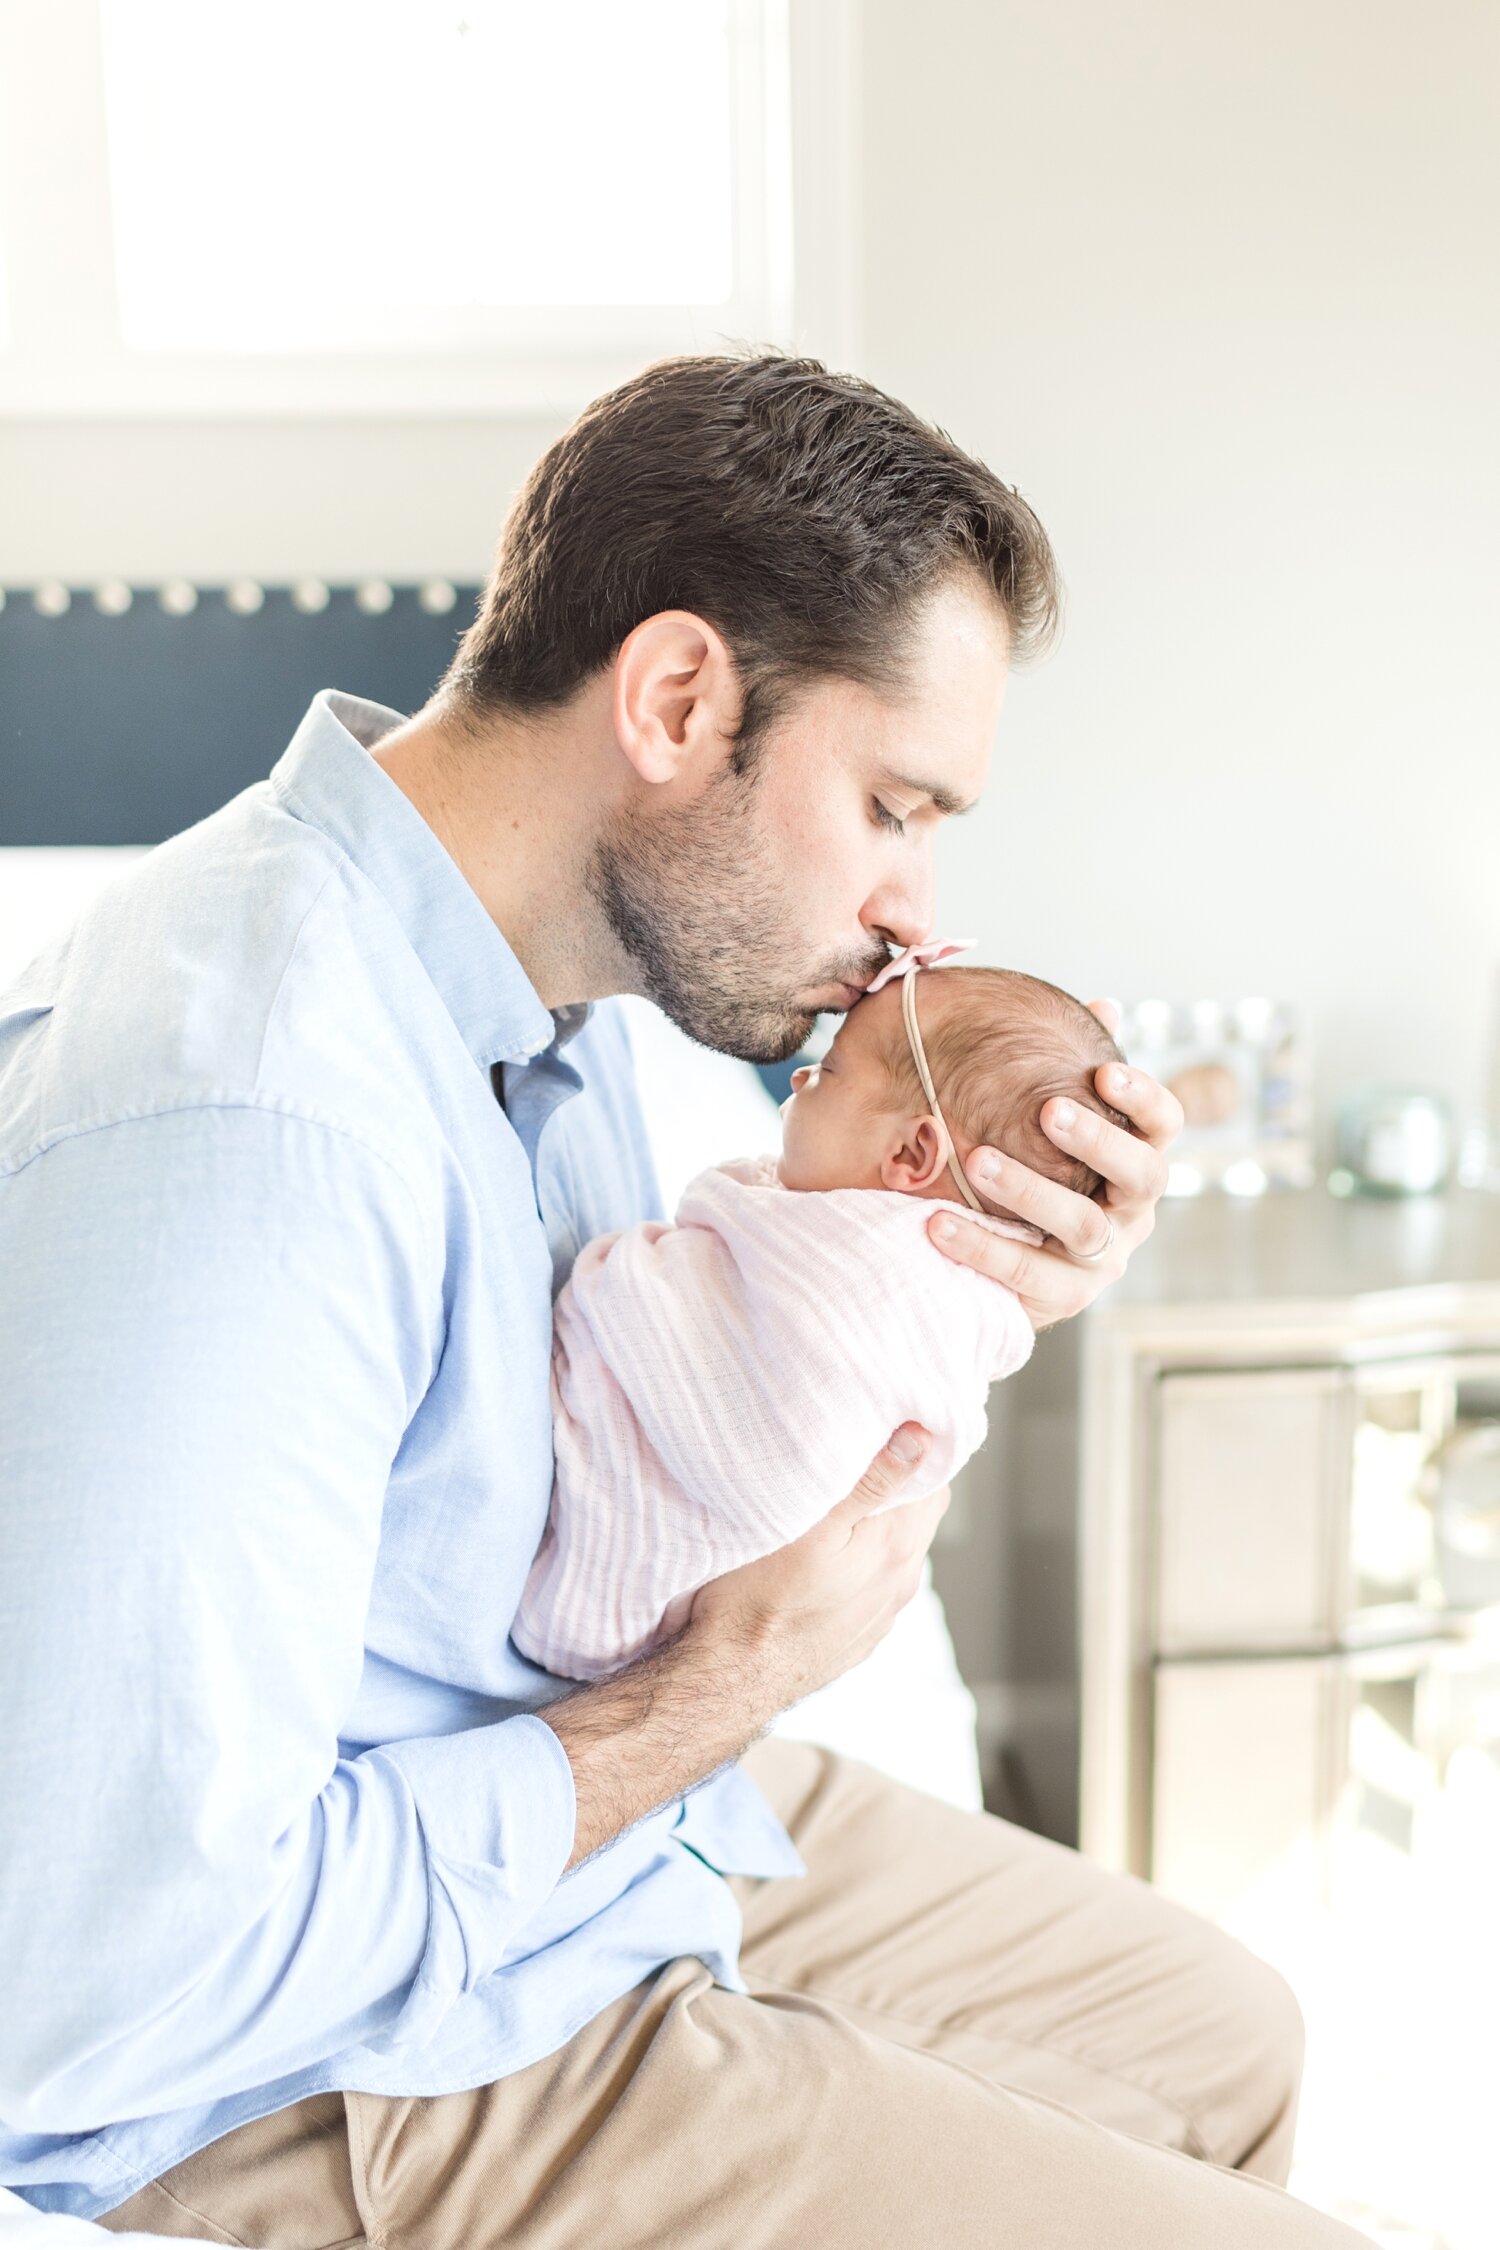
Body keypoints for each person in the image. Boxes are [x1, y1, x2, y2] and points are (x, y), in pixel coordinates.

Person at [0, 354, 1363, 2246]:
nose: (917, 906)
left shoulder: (540, 1010)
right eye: (893, 803)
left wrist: (947, 1277)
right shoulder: (248, 1117)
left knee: (1227, 2039)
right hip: (310, 2056)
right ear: (677, 699)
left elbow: (683, 1420)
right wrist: (727, 1684)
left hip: (565, 1820)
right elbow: (102, 1983)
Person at [515, 951, 1127, 1681]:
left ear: (912, 1150)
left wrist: (635, 1282)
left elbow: (656, 1312)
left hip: (657, 1640)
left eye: (828, 1072)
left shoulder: (889, 1280)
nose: (801, 1078)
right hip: (664, 1682)